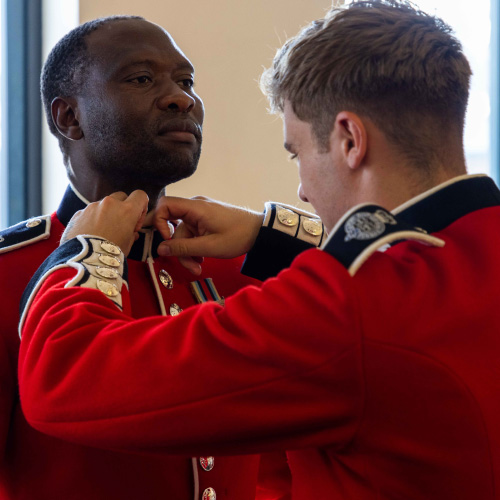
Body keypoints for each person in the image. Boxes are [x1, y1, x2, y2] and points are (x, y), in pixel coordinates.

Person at [17, 0, 500, 498]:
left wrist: (85, 253)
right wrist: (270, 236)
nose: (303, 194)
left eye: (297, 153)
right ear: (68, 116)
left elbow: (67, 378)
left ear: (351, 140)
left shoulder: (341, 305)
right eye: (141, 79)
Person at [0, 14, 302, 500]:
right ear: (68, 117)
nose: (182, 98)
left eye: (186, 81)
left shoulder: (238, 269)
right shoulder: (10, 275)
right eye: (141, 79)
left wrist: (272, 235)